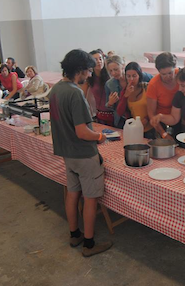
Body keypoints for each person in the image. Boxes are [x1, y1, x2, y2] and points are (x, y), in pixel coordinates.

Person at [48, 49, 112, 257]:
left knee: (73, 193)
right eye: (88, 70)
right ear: (80, 70)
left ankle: (74, 234)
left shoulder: (56, 89)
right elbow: (83, 131)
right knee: (91, 199)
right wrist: (99, 137)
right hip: (84, 154)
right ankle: (89, 244)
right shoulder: (75, 93)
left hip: (67, 153)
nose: (91, 74)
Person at [147, 52, 180, 139]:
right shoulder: (153, 85)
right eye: (163, 74)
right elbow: (152, 115)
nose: (168, 77)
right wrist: (163, 133)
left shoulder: (181, 76)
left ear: (175, 68)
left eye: (170, 73)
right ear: (158, 72)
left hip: (182, 119)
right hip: (162, 122)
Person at [116, 62, 154, 138]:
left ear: (139, 76)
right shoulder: (124, 91)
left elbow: (155, 107)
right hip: (134, 129)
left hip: (150, 129)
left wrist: (146, 119)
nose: (131, 79)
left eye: (134, 76)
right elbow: (119, 112)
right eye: (128, 76)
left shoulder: (146, 88)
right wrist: (125, 96)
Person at [82, 50, 112, 125]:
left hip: (113, 114)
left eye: (100, 59)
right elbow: (82, 97)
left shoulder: (110, 75)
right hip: (99, 115)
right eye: (95, 59)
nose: (99, 61)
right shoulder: (89, 78)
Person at [104, 55, 127, 128]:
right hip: (120, 119)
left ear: (123, 66)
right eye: (110, 71)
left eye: (116, 69)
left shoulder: (133, 77)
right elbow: (108, 106)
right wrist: (110, 103)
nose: (113, 73)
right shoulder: (109, 84)